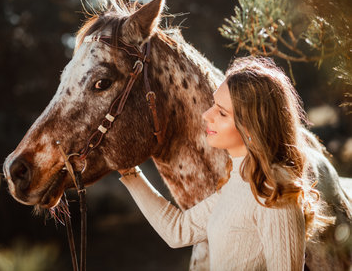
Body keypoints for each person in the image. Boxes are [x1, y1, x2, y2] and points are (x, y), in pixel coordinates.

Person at [118, 56, 332, 270]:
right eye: (213, 105)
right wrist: (129, 171)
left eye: (221, 112)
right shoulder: (241, 179)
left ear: (250, 126)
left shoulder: (273, 192)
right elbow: (178, 231)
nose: (206, 115)